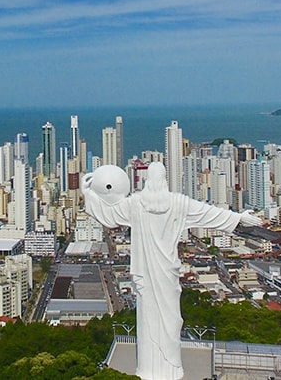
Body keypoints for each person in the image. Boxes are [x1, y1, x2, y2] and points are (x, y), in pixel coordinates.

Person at [82, 162, 262, 380]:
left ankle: (153, 369)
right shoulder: (178, 203)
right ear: (165, 180)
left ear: (146, 181)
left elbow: (108, 215)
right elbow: (209, 214)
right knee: (168, 318)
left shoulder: (136, 203)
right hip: (167, 273)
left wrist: (88, 193)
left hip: (147, 274)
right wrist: (238, 218)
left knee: (151, 318)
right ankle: (167, 368)